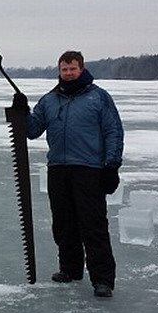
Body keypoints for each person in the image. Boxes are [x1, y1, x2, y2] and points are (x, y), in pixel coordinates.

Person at [12, 50, 124, 298]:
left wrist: (111, 165)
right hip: (59, 169)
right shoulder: (50, 100)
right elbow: (32, 130)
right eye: (64, 69)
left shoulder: (99, 98)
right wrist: (22, 111)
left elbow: (113, 131)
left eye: (73, 69)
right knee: (63, 223)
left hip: (89, 169)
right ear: (59, 71)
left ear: (81, 69)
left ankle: (103, 279)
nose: (68, 73)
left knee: (93, 225)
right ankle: (70, 269)